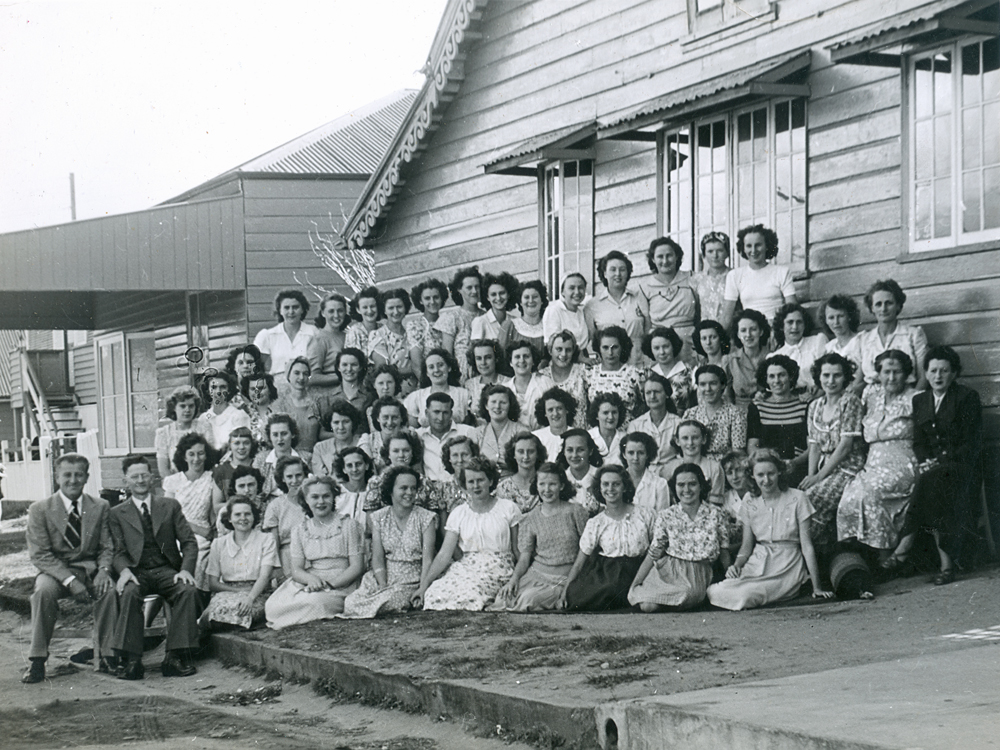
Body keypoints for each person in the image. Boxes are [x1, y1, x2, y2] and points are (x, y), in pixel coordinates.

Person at [887, 346, 982, 583]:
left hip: (962, 467)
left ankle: (905, 544)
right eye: (933, 371)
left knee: (931, 480)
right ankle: (946, 566)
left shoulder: (967, 397)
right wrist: (925, 462)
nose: (938, 376)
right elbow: (919, 442)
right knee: (934, 485)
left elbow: (971, 443)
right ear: (926, 374)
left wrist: (937, 463)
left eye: (944, 371)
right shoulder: (920, 400)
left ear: (954, 374)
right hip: (934, 472)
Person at [22, 453, 118, 683]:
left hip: (90, 570)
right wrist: (70, 581)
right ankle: (37, 660)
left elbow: (107, 546)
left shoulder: (100, 506)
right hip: (55, 573)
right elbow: (40, 554)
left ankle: (107, 656)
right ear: (57, 477)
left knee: (110, 591)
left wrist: (104, 570)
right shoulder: (40, 509)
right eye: (67, 475)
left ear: (86, 477)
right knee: (42, 592)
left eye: (78, 475)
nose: (73, 480)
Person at [109, 455, 201, 679]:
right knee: (129, 592)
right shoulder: (116, 513)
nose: (140, 480)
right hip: (136, 571)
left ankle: (174, 657)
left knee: (188, 591)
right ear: (126, 481)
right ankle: (133, 660)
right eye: (134, 476)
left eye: (144, 475)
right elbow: (116, 550)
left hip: (166, 570)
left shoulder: (169, 506)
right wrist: (124, 571)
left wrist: (186, 570)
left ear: (152, 478)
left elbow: (189, 542)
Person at [707, 449, 832, 610]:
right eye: (760, 475)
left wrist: (817, 587)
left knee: (745, 595)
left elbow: (807, 546)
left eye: (771, 473)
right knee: (714, 590)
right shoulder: (749, 500)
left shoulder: (798, 498)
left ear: (779, 472)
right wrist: (736, 566)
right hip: (757, 562)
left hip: (787, 566)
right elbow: (746, 546)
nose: (766, 480)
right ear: (752, 475)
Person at [837, 350, 920, 560]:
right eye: (886, 372)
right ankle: (860, 555)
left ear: (907, 374)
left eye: (897, 372)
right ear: (878, 374)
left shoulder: (915, 398)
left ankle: (886, 557)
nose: (891, 378)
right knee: (850, 497)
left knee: (872, 495)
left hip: (903, 463)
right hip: (872, 464)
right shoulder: (870, 394)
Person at [412, 457, 521, 611]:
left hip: (499, 568)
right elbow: (444, 554)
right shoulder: (459, 513)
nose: (476, 486)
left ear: (490, 481)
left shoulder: (508, 508)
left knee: (471, 594)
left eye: (480, 480)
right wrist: (424, 586)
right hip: (466, 567)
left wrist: (518, 578)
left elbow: (518, 550)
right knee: (435, 593)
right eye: (471, 482)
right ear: (464, 485)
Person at [265, 476, 364, 628]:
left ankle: (301, 616)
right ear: (306, 500)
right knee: (272, 605)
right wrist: (310, 579)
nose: (321, 502)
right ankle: (301, 614)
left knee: (315, 602)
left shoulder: (348, 525)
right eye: (315, 497)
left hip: (342, 583)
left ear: (333, 497)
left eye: (326, 496)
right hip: (313, 580)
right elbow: (296, 569)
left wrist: (330, 585)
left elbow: (357, 567)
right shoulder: (299, 530)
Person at [629, 463, 730, 611]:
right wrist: (636, 583)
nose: (686, 490)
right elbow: (653, 552)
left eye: (692, 484)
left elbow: (724, 550)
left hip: (698, 571)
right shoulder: (666, 515)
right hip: (669, 569)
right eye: (681, 485)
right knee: (647, 605)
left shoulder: (715, 514)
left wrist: (730, 579)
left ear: (701, 486)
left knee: (688, 593)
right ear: (674, 487)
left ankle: (671, 604)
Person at [341, 467, 437, 618]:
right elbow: (378, 557)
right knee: (351, 602)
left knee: (390, 600)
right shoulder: (379, 517)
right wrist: (382, 583)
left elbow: (428, 559)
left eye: (413, 488)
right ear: (391, 490)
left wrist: (423, 588)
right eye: (404, 488)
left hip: (412, 579)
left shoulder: (426, 518)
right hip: (385, 574)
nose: (410, 493)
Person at [492, 463, 589, 612]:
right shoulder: (530, 517)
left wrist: (568, 588)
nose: (547, 489)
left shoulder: (575, 512)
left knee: (528, 600)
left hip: (562, 579)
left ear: (562, 486)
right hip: (535, 574)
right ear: (536, 486)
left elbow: (587, 550)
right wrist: (514, 580)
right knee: (503, 599)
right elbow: (524, 558)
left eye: (552, 484)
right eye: (542, 484)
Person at [559, 464, 655, 610]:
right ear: (599, 487)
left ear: (624, 487)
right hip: (609, 572)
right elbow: (580, 562)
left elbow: (657, 549)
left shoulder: (645, 515)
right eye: (605, 484)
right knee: (580, 595)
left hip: (640, 569)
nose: (610, 489)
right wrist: (565, 592)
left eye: (616, 484)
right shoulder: (596, 523)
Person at [799, 353, 866, 556]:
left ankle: (814, 554)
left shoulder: (850, 402)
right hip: (824, 467)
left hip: (848, 467)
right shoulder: (815, 406)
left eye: (836, 375)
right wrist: (812, 476)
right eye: (826, 375)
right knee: (802, 496)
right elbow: (814, 445)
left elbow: (845, 446)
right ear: (818, 376)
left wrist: (819, 478)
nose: (831, 381)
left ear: (845, 377)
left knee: (811, 498)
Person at [202, 497, 277, 630]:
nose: (243, 518)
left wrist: (250, 597)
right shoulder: (219, 543)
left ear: (254, 517)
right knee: (210, 615)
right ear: (229, 518)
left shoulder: (266, 539)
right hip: (227, 592)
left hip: (257, 592)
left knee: (243, 612)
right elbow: (212, 583)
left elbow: (264, 576)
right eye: (237, 514)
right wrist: (238, 591)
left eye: (247, 514)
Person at [849, 279, 929, 392]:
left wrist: (913, 401)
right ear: (872, 308)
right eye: (878, 304)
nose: (883, 309)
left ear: (898, 305)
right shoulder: (864, 339)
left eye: (889, 303)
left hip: (906, 395)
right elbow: (860, 381)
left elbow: (923, 378)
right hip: (871, 400)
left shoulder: (913, 335)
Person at [162, 433, 218, 589]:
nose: (196, 458)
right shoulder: (173, 481)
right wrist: (199, 530)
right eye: (191, 454)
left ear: (206, 455)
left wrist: (211, 532)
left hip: (205, 536)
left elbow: (213, 512)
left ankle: (199, 597)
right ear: (184, 457)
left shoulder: (211, 478)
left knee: (203, 552)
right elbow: (168, 515)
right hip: (178, 532)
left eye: (201, 453)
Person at [746, 355, 810, 486]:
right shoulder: (757, 406)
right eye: (772, 376)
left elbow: (812, 446)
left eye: (782, 375)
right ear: (766, 379)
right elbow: (753, 444)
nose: (777, 380)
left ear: (791, 376)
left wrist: (794, 462)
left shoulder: (805, 404)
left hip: (799, 468)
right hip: (767, 471)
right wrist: (762, 464)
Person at [720, 225, 797, 328]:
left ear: (767, 246)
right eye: (748, 246)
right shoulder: (735, 275)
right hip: (750, 331)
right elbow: (727, 316)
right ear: (743, 248)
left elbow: (792, 309)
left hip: (777, 328)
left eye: (758, 245)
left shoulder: (781, 272)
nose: (753, 250)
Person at [640, 237, 699, 361]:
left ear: (677, 256)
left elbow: (699, 313)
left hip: (688, 343)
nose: (665, 261)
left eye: (669, 255)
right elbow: (647, 324)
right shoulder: (645, 287)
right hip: (660, 346)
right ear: (653, 259)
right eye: (660, 257)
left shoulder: (691, 278)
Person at [585, 251, 649, 364]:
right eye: (613, 269)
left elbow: (648, 329)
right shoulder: (592, 305)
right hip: (610, 364)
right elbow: (592, 340)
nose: (618, 274)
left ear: (628, 273)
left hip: (638, 362)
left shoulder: (639, 298)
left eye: (622, 269)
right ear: (604, 273)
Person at [684, 365, 747, 459]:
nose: (708, 389)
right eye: (702, 384)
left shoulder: (735, 414)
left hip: (725, 467)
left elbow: (738, 454)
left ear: (722, 385)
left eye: (713, 383)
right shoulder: (691, 414)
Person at [261, 456, 309, 579]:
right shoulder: (276, 506)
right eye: (289, 476)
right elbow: (274, 542)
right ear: (282, 478)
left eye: (299, 475)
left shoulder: (314, 501)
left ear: (305, 475)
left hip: (313, 553)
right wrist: (278, 569)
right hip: (288, 558)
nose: (295, 480)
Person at [253, 289, 318, 380]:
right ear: (280, 310)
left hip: (305, 383)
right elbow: (256, 366)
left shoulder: (313, 333)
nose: (291, 312)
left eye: (295, 307)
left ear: (302, 309)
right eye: (286, 308)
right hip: (278, 386)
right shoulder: (268, 335)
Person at [660, 419, 725, 505]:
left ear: (703, 439)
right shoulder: (668, 468)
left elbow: (716, 503)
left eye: (695, 438)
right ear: (677, 441)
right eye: (685, 438)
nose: (690, 443)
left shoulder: (714, 468)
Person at [273, 357, 327, 458]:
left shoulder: (318, 402)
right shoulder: (280, 405)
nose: (301, 377)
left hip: (314, 456)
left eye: (305, 374)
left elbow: (323, 432)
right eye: (296, 373)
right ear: (288, 375)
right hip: (288, 458)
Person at [417, 391, 477, 482]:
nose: (440, 418)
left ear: (451, 414)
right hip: (430, 489)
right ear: (426, 413)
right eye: (436, 412)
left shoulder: (467, 432)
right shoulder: (419, 435)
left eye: (445, 413)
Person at [155, 386, 213, 478]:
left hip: (201, 480)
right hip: (175, 481)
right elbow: (163, 469)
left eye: (191, 406)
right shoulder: (164, 433)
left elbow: (210, 460)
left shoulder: (204, 428)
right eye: (182, 406)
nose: (187, 410)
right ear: (174, 407)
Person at [404, 348, 472, 427]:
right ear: (427, 373)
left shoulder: (463, 394)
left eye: (440, 365)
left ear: (449, 368)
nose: (436, 370)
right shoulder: (416, 397)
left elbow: (468, 426)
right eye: (431, 367)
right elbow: (414, 429)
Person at [436, 266, 483, 380]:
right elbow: (446, 355)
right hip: (461, 376)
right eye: (469, 287)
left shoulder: (486, 316)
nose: (474, 291)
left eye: (477, 287)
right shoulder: (452, 317)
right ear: (459, 290)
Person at [627, 372, 680, 469]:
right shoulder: (636, 425)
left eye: (657, 392)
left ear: (667, 394)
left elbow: (683, 456)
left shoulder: (678, 423)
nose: (652, 396)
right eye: (648, 393)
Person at [588, 325, 643, 419]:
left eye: (615, 347)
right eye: (605, 347)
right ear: (598, 349)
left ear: (622, 347)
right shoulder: (590, 373)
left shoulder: (635, 374)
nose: (610, 353)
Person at [538, 330, 590, 427]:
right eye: (559, 349)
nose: (564, 354)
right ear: (550, 351)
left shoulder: (583, 372)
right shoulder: (542, 376)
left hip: (579, 434)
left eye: (568, 350)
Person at [773, 303, 828, 394]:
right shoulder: (776, 356)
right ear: (781, 326)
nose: (795, 327)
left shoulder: (817, 341)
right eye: (790, 322)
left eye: (799, 322)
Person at [367, 287, 418, 383]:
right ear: (384, 310)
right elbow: (383, 370)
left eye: (399, 307)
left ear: (405, 307)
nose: (396, 312)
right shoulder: (377, 335)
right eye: (391, 308)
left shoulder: (413, 334)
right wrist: (416, 368)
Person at [725, 309, 771, 411]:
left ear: (761, 331)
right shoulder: (730, 361)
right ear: (737, 334)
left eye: (753, 329)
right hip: (740, 414)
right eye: (743, 330)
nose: (748, 335)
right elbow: (727, 397)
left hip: (769, 411)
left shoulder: (772, 357)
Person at [475, 384, 528, 470]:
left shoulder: (521, 431)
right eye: (493, 402)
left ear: (510, 405)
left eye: (503, 402)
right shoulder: (476, 433)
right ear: (486, 405)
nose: (497, 406)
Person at [211, 427, 257, 527]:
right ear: (230, 446)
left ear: (251, 445)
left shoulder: (258, 466)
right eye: (236, 443)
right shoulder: (221, 471)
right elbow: (216, 506)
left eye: (246, 443)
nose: (241, 447)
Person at [642, 326, 694, 413]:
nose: (662, 352)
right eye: (656, 348)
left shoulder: (689, 372)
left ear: (673, 346)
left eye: (666, 346)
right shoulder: (646, 374)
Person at [254, 413, 303, 500]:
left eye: (284, 434)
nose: (280, 439)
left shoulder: (305, 458)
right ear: (270, 437)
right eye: (275, 435)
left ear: (292, 434)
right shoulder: (260, 460)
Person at [542, 273, 593, 357]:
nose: (577, 292)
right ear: (562, 292)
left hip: (583, 358)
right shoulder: (554, 310)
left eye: (580, 288)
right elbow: (552, 344)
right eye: (571, 288)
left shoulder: (583, 311)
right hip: (562, 359)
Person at [311, 400, 366, 478]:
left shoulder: (362, 443)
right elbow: (320, 478)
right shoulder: (320, 448)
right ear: (330, 424)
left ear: (353, 423)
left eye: (346, 422)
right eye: (336, 422)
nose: (341, 427)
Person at [496, 432, 548, 513]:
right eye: (521, 451)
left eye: (531, 451)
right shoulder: (503, 488)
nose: (526, 456)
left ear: (538, 453)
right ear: (513, 454)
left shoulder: (546, 483)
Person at [197, 371, 250, 451]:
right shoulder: (203, 419)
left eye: (223, 387)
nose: (218, 392)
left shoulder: (238, 416)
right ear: (208, 390)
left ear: (229, 390)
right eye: (214, 387)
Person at [307, 292, 349, 391]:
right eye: (331, 311)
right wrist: (342, 376)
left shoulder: (349, 336)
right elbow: (312, 377)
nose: (336, 315)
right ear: (323, 313)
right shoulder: (319, 339)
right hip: (329, 394)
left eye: (340, 311)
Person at [506, 341, 553, 429]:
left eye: (526, 356)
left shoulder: (545, 382)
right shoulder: (505, 388)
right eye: (517, 357)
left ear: (533, 361)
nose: (522, 360)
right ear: (510, 362)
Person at [557, 428, 604, 515]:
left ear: (590, 451)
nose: (574, 455)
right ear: (564, 452)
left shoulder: (601, 477)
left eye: (580, 450)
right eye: (570, 450)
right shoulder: (560, 479)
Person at [621, 431, 670, 512]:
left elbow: (662, 518)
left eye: (640, 453)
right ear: (624, 454)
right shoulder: (616, 480)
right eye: (631, 453)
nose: (635, 458)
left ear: (647, 454)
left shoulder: (660, 484)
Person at [689, 231, 732, 324]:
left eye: (720, 250)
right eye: (710, 251)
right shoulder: (697, 279)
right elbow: (695, 311)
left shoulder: (734, 276)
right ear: (704, 254)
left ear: (727, 253)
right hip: (706, 332)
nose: (715, 255)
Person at [464, 339, 511, 417]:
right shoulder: (469, 385)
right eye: (479, 358)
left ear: (496, 358)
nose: (483, 362)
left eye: (488, 357)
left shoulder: (508, 382)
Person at [407, 278, 447, 365]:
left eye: (436, 297)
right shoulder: (416, 326)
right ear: (420, 301)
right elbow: (416, 364)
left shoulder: (447, 322)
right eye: (427, 298)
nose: (432, 302)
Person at [362, 397, 409, 472]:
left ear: (401, 418)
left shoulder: (409, 438)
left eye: (394, 417)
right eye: (385, 417)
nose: (390, 422)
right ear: (378, 418)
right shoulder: (369, 440)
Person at [499, 279, 547, 353]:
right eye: (526, 297)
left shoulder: (548, 326)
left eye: (535, 297)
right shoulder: (509, 326)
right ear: (520, 302)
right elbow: (501, 355)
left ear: (542, 301)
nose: (531, 301)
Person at [472, 271, 520, 341]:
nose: (498, 298)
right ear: (487, 297)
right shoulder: (480, 322)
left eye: (502, 293)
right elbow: (475, 349)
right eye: (493, 294)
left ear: (509, 294)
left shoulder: (515, 321)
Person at [532, 386, 577, 461]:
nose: (555, 414)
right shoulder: (536, 437)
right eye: (550, 410)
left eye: (559, 408)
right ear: (545, 413)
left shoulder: (577, 435)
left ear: (567, 410)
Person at [333, 447, 374, 525]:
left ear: (367, 466)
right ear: (344, 469)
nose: (354, 469)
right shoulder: (337, 492)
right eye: (349, 465)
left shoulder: (373, 492)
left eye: (358, 464)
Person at [328, 347, 374, 415]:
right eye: (344, 365)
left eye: (354, 365)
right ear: (338, 367)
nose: (349, 369)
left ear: (360, 367)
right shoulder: (329, 397)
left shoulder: (369, 396)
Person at [587, 392, 628, 466]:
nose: (611, 417)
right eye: (605, 413)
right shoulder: (588, 437)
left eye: (614, 412)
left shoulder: (625, 438)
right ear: (596, 415)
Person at [821, 294, 862, 365]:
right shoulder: (829, 348)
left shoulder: (860, 341)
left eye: (840, 316)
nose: (836, 322)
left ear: (849, 316)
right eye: (831, 318)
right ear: (826, 321)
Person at [344, 286, 382, 353]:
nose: (369, 311)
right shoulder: (354, 332)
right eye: (365, 307)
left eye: (372, 306)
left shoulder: (383, 329)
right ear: (358, 310)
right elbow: (352, 359)